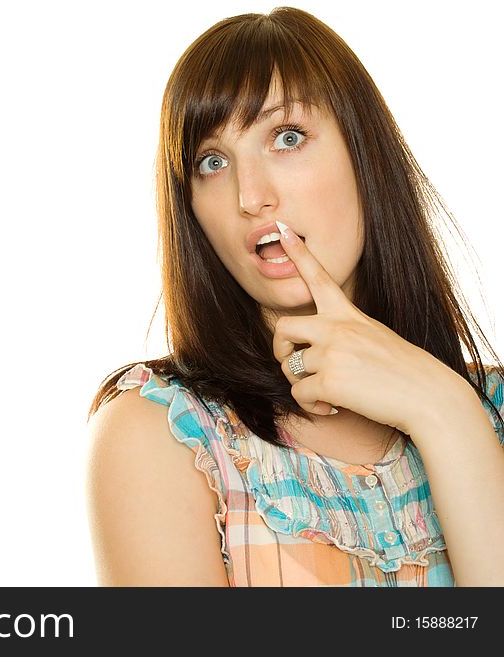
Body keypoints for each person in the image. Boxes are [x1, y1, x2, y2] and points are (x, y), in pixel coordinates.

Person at [85, 7, 504, 587]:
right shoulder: (165, 434)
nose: (250, 197)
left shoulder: (491, 409)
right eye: (212, 161)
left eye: (287, 137)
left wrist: (448, 414)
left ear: (367, 157)